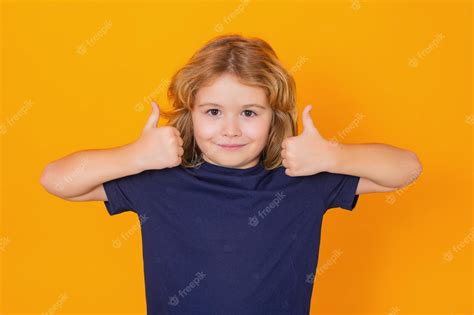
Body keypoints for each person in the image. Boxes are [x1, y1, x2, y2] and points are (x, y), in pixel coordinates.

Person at [40, 34, 422, 315]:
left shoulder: (304, 179)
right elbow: (56, 180)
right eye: (213, 112)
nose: (231, 130)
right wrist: (132, 156)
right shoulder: (157, 180)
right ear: (190, 113)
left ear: (275, 117)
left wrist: (333, 155)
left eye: (250, 112)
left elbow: (407, 169)